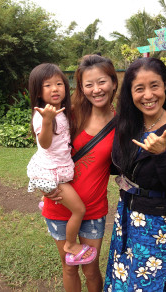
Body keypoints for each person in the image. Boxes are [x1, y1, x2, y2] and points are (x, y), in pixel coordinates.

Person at [103, 57, 166, 292]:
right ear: (131, 93)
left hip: (157, 224)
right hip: (125, 215)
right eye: (139, 88)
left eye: (154, 85)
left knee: (148, 284)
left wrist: (162, 155)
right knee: (121, 276)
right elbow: (118, 166)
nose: (148, 95)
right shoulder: (129, 125)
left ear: (165, 85)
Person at [40, 55, 118, 292]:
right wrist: (44, 184)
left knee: (91, 269)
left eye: (102, 82)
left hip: (93, 210)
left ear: (114, 82)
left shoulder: (121, 123)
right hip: (58, 205)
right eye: (89, 84)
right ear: (81, 88)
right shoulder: (67, 116)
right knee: (69, 267)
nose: (96, 90)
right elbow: (44, 151)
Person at [27, 63, 97, 266]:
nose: (55, 88)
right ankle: (70, 245)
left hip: (56, 167)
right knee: (79, 210)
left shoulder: (62, 110)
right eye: (47, 85)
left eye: (59, 83)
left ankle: (45, 199)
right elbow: (45, 143)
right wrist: (47, 121)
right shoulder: (42, 115)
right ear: (38, 92)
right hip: (52, 173)